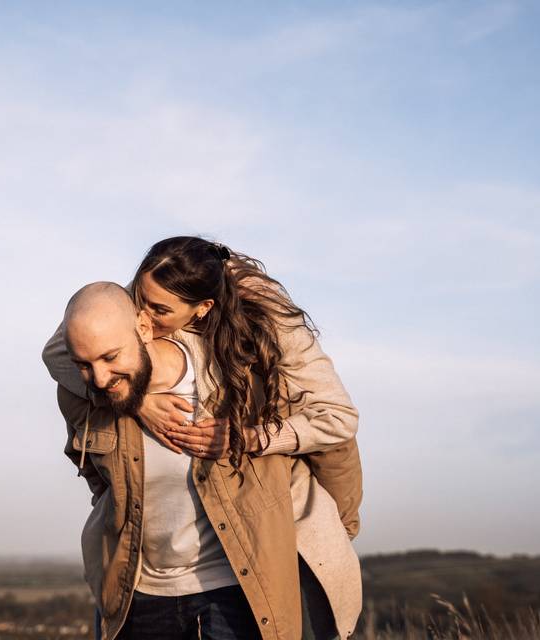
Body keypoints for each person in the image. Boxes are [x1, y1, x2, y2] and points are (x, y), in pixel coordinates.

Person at [45, 238, 363, 639]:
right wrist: (138, 399)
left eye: (158, 310)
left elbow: (337, 429)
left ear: (203, 308)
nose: (143, 314)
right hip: (140, 595)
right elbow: (61, 354)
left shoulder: (263, 349)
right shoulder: (105, 376)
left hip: (234, 592)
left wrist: (250, 438)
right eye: (139, 299)